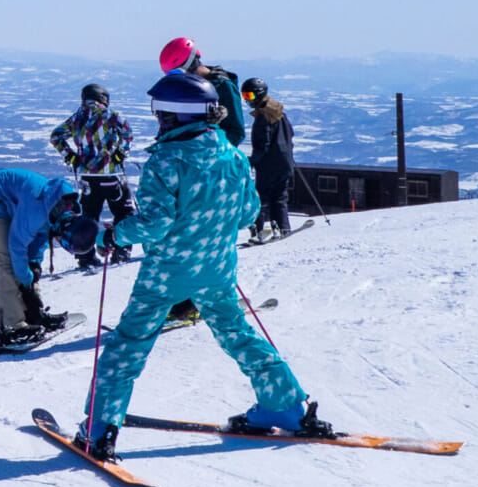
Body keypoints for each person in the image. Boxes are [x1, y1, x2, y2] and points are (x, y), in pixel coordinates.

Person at [73, 70, 331, 459]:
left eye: (160, 112)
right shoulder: (232, 155)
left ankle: (99, 429)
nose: (157, 119)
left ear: (175, 115)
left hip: (167, 273)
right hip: (217, 267)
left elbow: (155, 224)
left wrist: (114, 234)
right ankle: (286, 406)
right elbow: (247, 214)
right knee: (237, 333)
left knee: (128, 345)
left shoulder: (166, 160)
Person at [157, 37, 246, 323]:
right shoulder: (188, 88)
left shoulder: (222, 86)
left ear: (193, 63)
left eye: (178, 73)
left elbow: (236, 132)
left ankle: (201, 299)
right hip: (189, 168)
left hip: (213, 172)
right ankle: (184, 299)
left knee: (205, 240)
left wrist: (211, 142)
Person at [0, 168, 78, 352]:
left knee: (26, 264)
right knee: (6, 259)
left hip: (11, 200)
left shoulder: (58, 206)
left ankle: (33, 313)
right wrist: (27, 278)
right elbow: (17, 245)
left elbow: (41, 236)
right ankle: (12, 326)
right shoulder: (37, 210)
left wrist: (34, 264)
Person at [48, 83, 136, 270]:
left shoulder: (77, 118)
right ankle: (121, 251)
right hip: (112, 173)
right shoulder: (111, 115)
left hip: (87, 175)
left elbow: (56, 136)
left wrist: (70, 156)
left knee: (88, 215)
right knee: (123, 211)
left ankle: (86, 257)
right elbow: (128, 133)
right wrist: (121, 153)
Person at [242, 77, 295, 240]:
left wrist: (251, 161)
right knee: (279, 196)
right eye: (244, 96)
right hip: (285, 161)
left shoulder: (263, 116)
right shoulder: (278, 112)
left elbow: (262, 144)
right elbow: (290, 133)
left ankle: (259, 230)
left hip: (269, 164)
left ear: (259, 94)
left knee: (261, 197)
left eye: (249, 96)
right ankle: (283, 226)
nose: (247, 100)